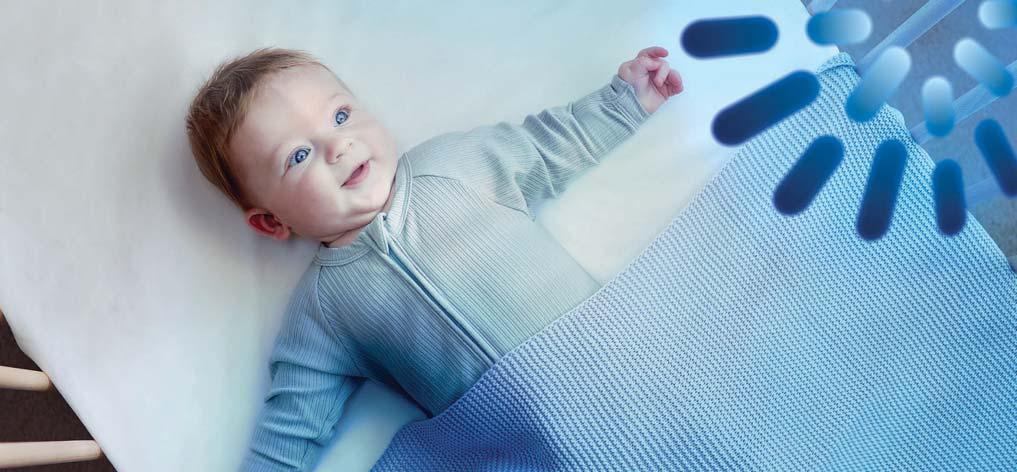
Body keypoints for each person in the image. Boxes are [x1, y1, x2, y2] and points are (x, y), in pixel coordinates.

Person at [185, 45, 683, 471]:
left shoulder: (452, 165)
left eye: (339, 116)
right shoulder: (321, 312)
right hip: (528, 447)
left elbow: (551, 145)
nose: (338, 146)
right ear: (271, 222)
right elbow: (290, 428)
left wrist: (625, 101)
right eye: (298, 156)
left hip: (622, 368)